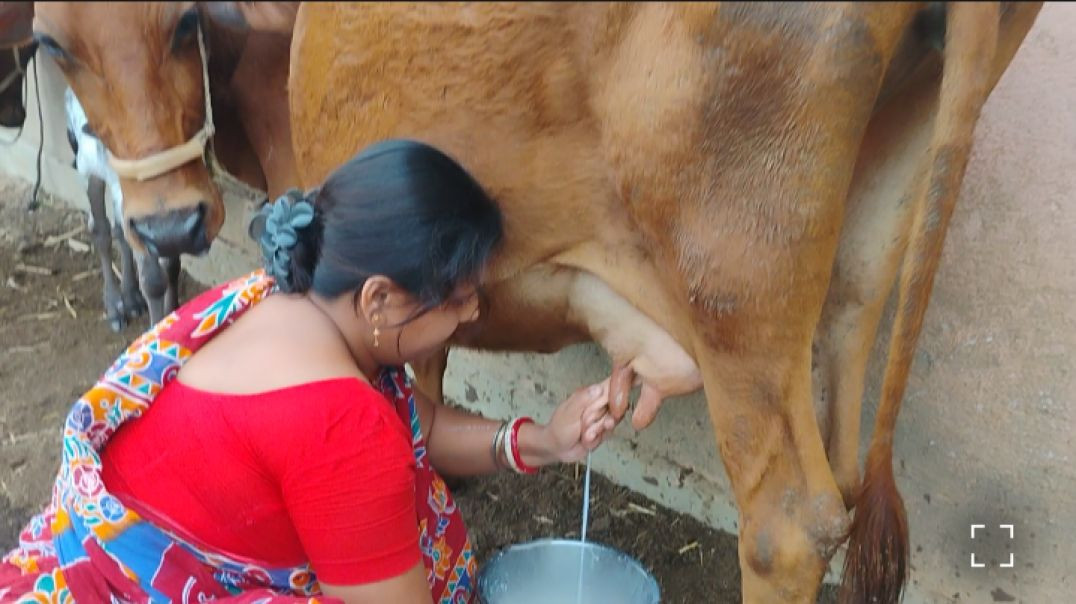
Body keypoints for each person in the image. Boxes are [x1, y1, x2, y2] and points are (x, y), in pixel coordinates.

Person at [0, 139, 622, 604]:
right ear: (379, 298)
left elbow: (416, 422)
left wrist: (540, 440)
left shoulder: (280, 296)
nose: (474, 311)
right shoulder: (342, 427)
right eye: (457, 298)